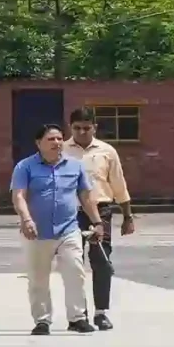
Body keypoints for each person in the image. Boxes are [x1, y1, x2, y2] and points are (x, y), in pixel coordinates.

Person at [10, 124, 104, 336]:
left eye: (60, 138)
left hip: (68, 230)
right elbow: (18, 196)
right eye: (51, 139)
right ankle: (42, 321)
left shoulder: (75, 166)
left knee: (75, 272)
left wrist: (97, 222)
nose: (57, 143)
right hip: (36, 232)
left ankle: (77, 318)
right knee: (38, 279)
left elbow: (86, 198)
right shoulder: (25, 167)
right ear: (38, 143)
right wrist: (26, 219)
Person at [62, 108, 134, 331]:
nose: (82, 132)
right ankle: (78, 314)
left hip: (101, 210)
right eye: (77, 128)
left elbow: (118, 184)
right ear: (70, 127)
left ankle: (101, 312)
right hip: (70, 212)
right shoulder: (61, 150)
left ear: (95, 127)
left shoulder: (107, 151)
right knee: (73, 263)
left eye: (87, 128)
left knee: (101, 260)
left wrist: (127, 216)